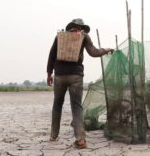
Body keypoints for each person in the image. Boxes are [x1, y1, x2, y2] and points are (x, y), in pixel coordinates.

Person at [46, 18, 113, 149]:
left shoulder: (60, 36)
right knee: (77, 107)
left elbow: (52, 55)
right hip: (76, 76)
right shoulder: (84, 37)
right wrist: (106, 49)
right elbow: (94, 52)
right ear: (82, 27)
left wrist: (49, 74)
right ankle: (81, 140)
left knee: (57, 104)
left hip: (59, 75)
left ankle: (53, 135)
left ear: (71, 26)